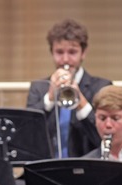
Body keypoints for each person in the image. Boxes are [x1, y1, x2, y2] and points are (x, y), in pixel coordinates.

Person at [27, 19, 112, 158]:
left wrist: (81, 102)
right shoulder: (39, 87)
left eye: (72, 52)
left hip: (87, 166)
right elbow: (28, 132)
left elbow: (104, 136)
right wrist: (49, 98)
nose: (65, 59)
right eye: (59, 52)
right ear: (52, 53)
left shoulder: (101, 87)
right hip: (47, 167)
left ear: (83, 53)